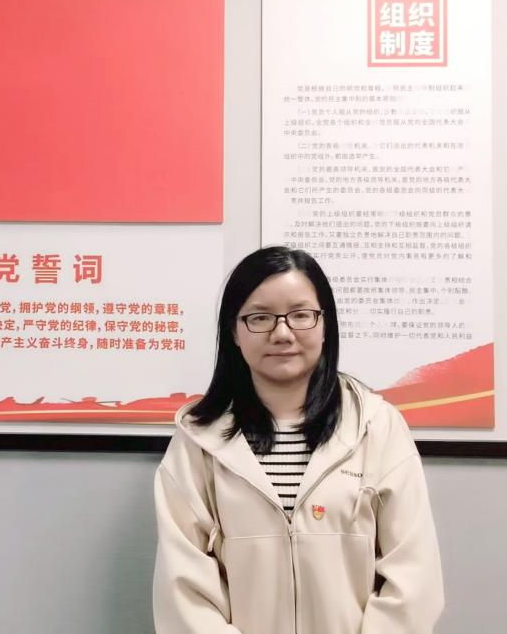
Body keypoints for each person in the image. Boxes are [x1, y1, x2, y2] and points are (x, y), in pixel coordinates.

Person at [153, 246, 443, 634]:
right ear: (234, 331)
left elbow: (413, 578)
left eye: (301, 315)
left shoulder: (377, 426)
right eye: (260, 317)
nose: (282, 333)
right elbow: (184, 591)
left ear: (325, 326)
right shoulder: (198, 441)